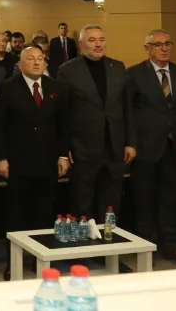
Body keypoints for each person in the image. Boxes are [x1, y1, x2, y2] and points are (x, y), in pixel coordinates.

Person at [0, 44, 70, 280]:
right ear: (20, 64)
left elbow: (63, 125)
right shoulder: (7, 88)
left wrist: (63, 155)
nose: (37, 62)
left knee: (44, 213)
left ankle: (42, 260)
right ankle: (14, 262)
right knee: (16, 214)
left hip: (47, 160)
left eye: (40, 58)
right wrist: (1, 157)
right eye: (31, 58)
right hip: (17, 161)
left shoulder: (55, 87)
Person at [127, 29, 176, 267]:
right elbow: (128, 113)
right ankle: (146, 249)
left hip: (174, 146)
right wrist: (130, 144)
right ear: (147, 48)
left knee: (171, 198)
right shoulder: (134, 74)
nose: (164, 48)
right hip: (145, 147)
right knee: (144, 199)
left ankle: (172, 246)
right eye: (157, 44)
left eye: (167, 43)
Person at [56, 24, 136, 221]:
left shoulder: (118, 67)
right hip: (83, 149)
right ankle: (84, 240)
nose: (98, 44)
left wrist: (130, 142)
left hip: (115, 149)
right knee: (82, 203)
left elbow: (127, 108)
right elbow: (62, 114)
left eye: (101, 40)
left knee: (111, 204)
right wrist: (64, 149)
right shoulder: (67, 71)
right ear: (81, 44)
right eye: (92, 40)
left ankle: (109, 239)